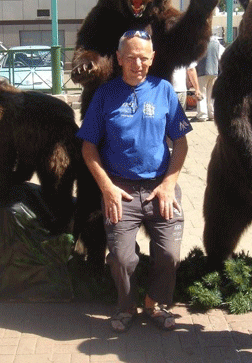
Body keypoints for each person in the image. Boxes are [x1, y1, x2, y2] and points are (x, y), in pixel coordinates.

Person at [77, 30, 192, 333]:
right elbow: (88, 148)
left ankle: (154, 303)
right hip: (120, 190)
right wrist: (107, 188)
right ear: (119, 59)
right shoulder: (104, 95)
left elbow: (181, 144)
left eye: (144, 58)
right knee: (122, 258)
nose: (137, 64)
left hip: (160, 187)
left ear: (152, 58)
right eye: (131, 58)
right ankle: (127, 305)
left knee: (169, 254)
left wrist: (169, 184)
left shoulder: (164, 90)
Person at [192, 35, 224, 122]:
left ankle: (202, 115)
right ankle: (212, 114)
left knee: (202, 93)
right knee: (211, 94)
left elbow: (194, 59)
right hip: (214, 72)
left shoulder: (199, 43)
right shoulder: (217, 43)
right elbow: (222, 56)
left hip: (202, 71)